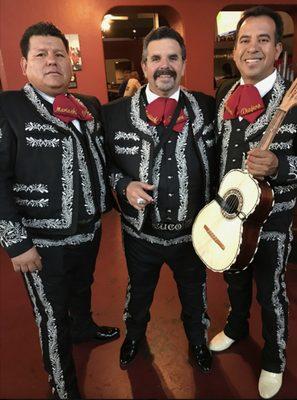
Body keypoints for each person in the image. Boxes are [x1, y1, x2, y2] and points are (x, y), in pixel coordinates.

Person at [0, 22, 120, 399]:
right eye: (41, 54)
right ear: (24, 64)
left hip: (88, 228)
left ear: (71, 61)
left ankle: (84, 327)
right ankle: (63, 384)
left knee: (83, 287)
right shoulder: (8, 107)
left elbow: (104, 159)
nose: (51, 60)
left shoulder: (90, 105)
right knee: (51, 316)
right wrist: (17, 243)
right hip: (40, 239)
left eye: (58, 53)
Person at [103, 26, 215, 372]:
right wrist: (123, 184)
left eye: (172, 58)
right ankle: (134, 336)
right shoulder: (113, 114)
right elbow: (102, 164)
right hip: (141, 236)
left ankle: (198, 341)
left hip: (193, 234)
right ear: (143, 65)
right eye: (156, 59)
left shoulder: (209, 108)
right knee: (138, 293)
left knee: (195, 294)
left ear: (184, 64)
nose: (164, 66)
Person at [209, 6, 297, 399]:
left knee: (271, 291)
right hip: (230, 214)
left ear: (278, 50)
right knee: (235, 278)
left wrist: (280, 164)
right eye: (245, 39)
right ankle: (236, 326)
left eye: (264, 39)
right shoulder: (224, 94)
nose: (253, 47)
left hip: (273, 219)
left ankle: (274, 360)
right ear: (234, 51)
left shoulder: (292, 98)